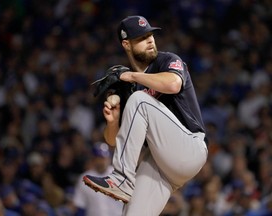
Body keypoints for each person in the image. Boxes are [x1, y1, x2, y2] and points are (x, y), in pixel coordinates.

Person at [83, 15, 208, 216]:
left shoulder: (167, 60)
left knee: (139, 99)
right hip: (161, 165)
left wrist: (131, 75)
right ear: (127, 44)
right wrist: (113, 122)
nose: (150, 40)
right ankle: (123, 180)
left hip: (189, 146)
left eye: (150, 35)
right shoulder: (129, 90)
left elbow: (173, 84)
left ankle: (121, 178)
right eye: (142, 38)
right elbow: (114, 141)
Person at [73, 142, 123, 216]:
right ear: (93, 159)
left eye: (103, 158)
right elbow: (80, 205)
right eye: (98, 158)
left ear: (109, 158)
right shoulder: (84, 178)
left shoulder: (119, 175)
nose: (101, 161)